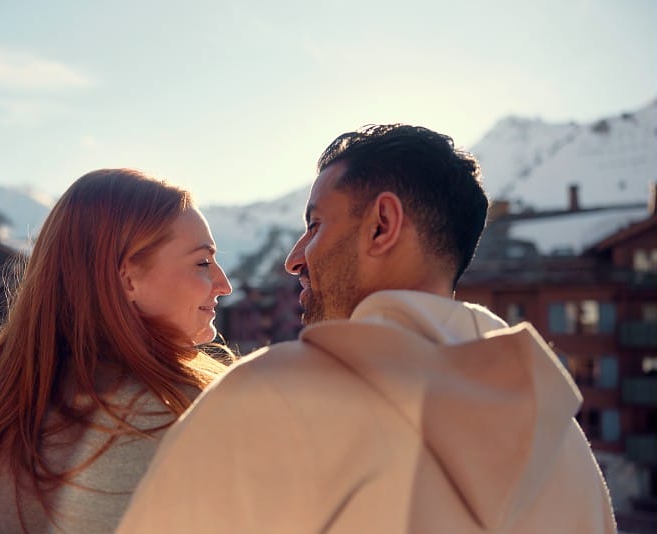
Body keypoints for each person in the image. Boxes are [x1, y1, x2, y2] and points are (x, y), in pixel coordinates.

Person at [117, 125, 617, 533]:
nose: (295, 259)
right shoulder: (562, 446)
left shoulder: (271, 401)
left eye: (314, 226)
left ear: (382, 225)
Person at [0, 169, 233, 533]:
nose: (224, 284)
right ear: (127, 279)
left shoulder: (13, 416)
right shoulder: (171, 415)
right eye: (202, 262)